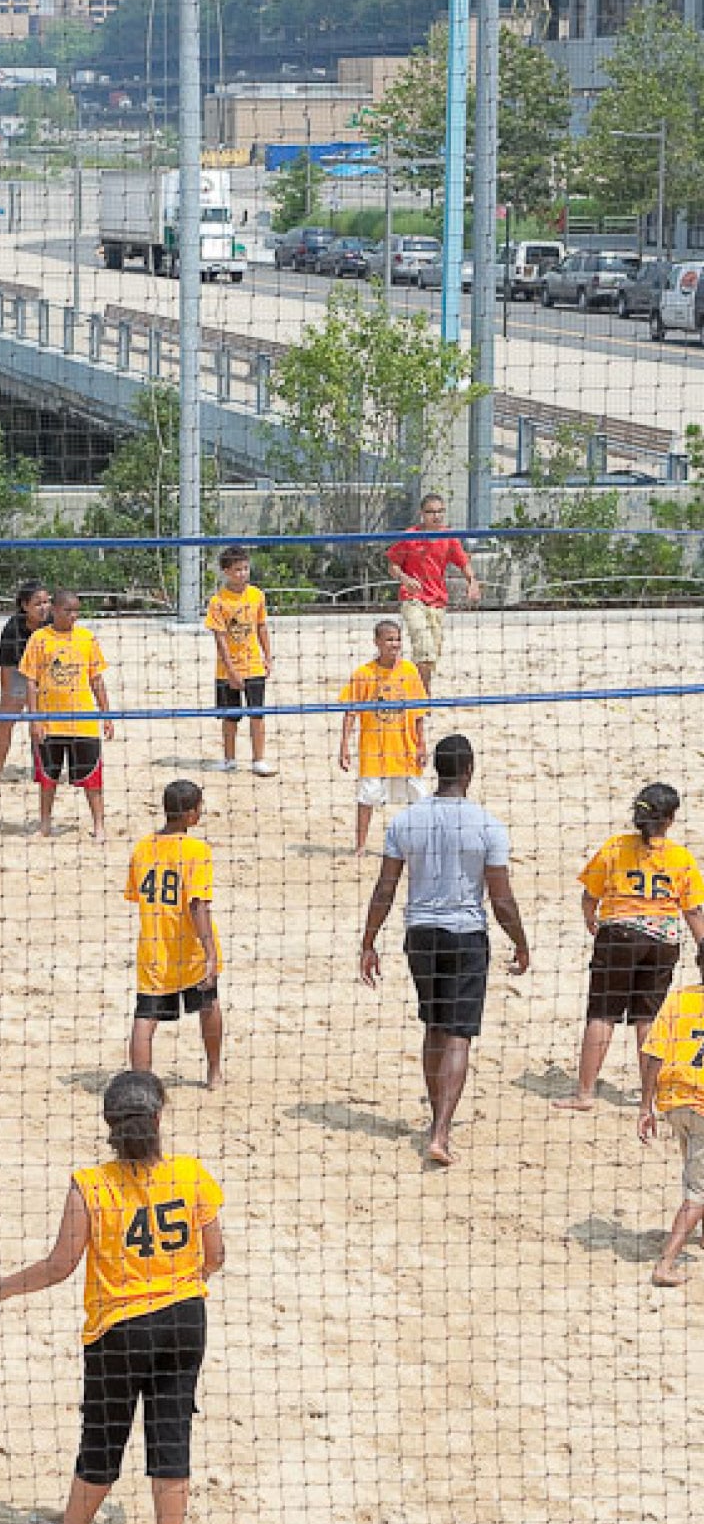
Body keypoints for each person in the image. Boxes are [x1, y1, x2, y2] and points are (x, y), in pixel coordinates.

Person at [0, 1071, 224, 1524]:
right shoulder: (190, 1175)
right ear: (159, 1119)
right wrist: (180, 1282)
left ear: (109, 1126)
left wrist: (4, 1286)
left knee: (103, 1437)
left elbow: (60, 1265)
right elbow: (216, 1257)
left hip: (120, 1331)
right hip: (186, 1320)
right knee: (172, 1434)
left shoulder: (90, 1185)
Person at [359, 734, 529, 1165]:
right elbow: (502, 898)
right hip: (466, 934)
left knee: (434, 1026)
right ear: (469, 770)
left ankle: (437, 1118)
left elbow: (385, 888)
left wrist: (368, 941)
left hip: (421, 934)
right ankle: (441, 1131)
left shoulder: (405, 821)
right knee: (459, 1033)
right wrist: (521, 942)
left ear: (437, 768)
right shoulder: (487, 824)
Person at [555, 785, 704, 1112]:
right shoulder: (681, 857)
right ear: (670, 820)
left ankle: (584, 1094)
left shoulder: (615, 847)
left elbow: (589, 896)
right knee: (648, 1018)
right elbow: (693, 910)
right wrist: (702, 946)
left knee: (603, 1013)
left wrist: (590, 919)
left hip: (620, 936)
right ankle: (647, 1097)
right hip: (664, 941)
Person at [126, 780, 223, 1089]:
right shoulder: (197, 850)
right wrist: (210, 952)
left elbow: (137, 894)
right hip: (190, 946)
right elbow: (198, 906)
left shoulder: (143, 847)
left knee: (145, 1019)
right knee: (208, 1004)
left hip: (154, 946)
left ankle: (141, 1084)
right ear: (192, 814)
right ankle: (214, 1073)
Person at [19, 590, 114, 842]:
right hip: (51, 722)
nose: (73, 616)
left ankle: (99, 826)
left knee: (92, 779)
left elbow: (97, 679)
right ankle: (45, 825)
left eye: (76, 611)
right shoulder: (40, 639)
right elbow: (30, 682)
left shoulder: (86, 638)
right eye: (68, 611)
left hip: (82, 721)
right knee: (48, 779)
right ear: (55, 611)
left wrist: (106, 714)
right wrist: (34, 719)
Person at [639, 941, 704, 1286]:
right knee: (698, 1191)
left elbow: (654, 1053)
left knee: (697, 1170)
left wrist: (644, 1106)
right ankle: (666, 1264)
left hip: (675, 1103)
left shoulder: (680, 998)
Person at [338, 619, 428, 856]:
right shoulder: (363, 674)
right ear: (377, 642)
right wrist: (344, 747)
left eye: (397, 639)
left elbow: (419, 713)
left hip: (405, 747)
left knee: (418, 798)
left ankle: (419, 845)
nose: (394, 644)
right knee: (367, 797)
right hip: (374, 749)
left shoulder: (410, 671)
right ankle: (360, 846)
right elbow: (350, 712)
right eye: (389, 639)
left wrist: (422, 745)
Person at [386, 493, 482, 691]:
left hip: (437, 601)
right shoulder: (410, 536)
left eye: (439, 512)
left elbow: (464, 563)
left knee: (431, 655)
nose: (436, 516)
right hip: (412, 599)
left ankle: (416, 687)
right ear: (422, 513)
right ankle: (423, 695)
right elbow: (392, 566)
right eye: (431, 512)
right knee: (424, 647)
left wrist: (472, 582)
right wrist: (405, 579)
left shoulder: (448, 537)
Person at [205, 545, 275, 777]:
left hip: (253, 665)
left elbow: (262, 627)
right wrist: (231, 670)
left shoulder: (257, 595)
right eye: (237, 570)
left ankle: (258, 760)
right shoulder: (218, 601)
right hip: (227, 671)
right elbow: (220, 639)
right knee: (230, 717)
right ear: (226, 572)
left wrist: (268, 656)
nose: (243, 573)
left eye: (245, 568)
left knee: (257, 714)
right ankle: (229, 759)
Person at [0, 580, 50, 784]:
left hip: (46, 672)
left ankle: (41, 772)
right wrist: (9, 696)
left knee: (42, 721)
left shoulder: (53, 623)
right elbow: (6, 668)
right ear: (25, 605)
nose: (44, 607)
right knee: (5, 720)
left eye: (46, 602)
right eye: (38, 603)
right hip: (19, 672)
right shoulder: (12, 630)